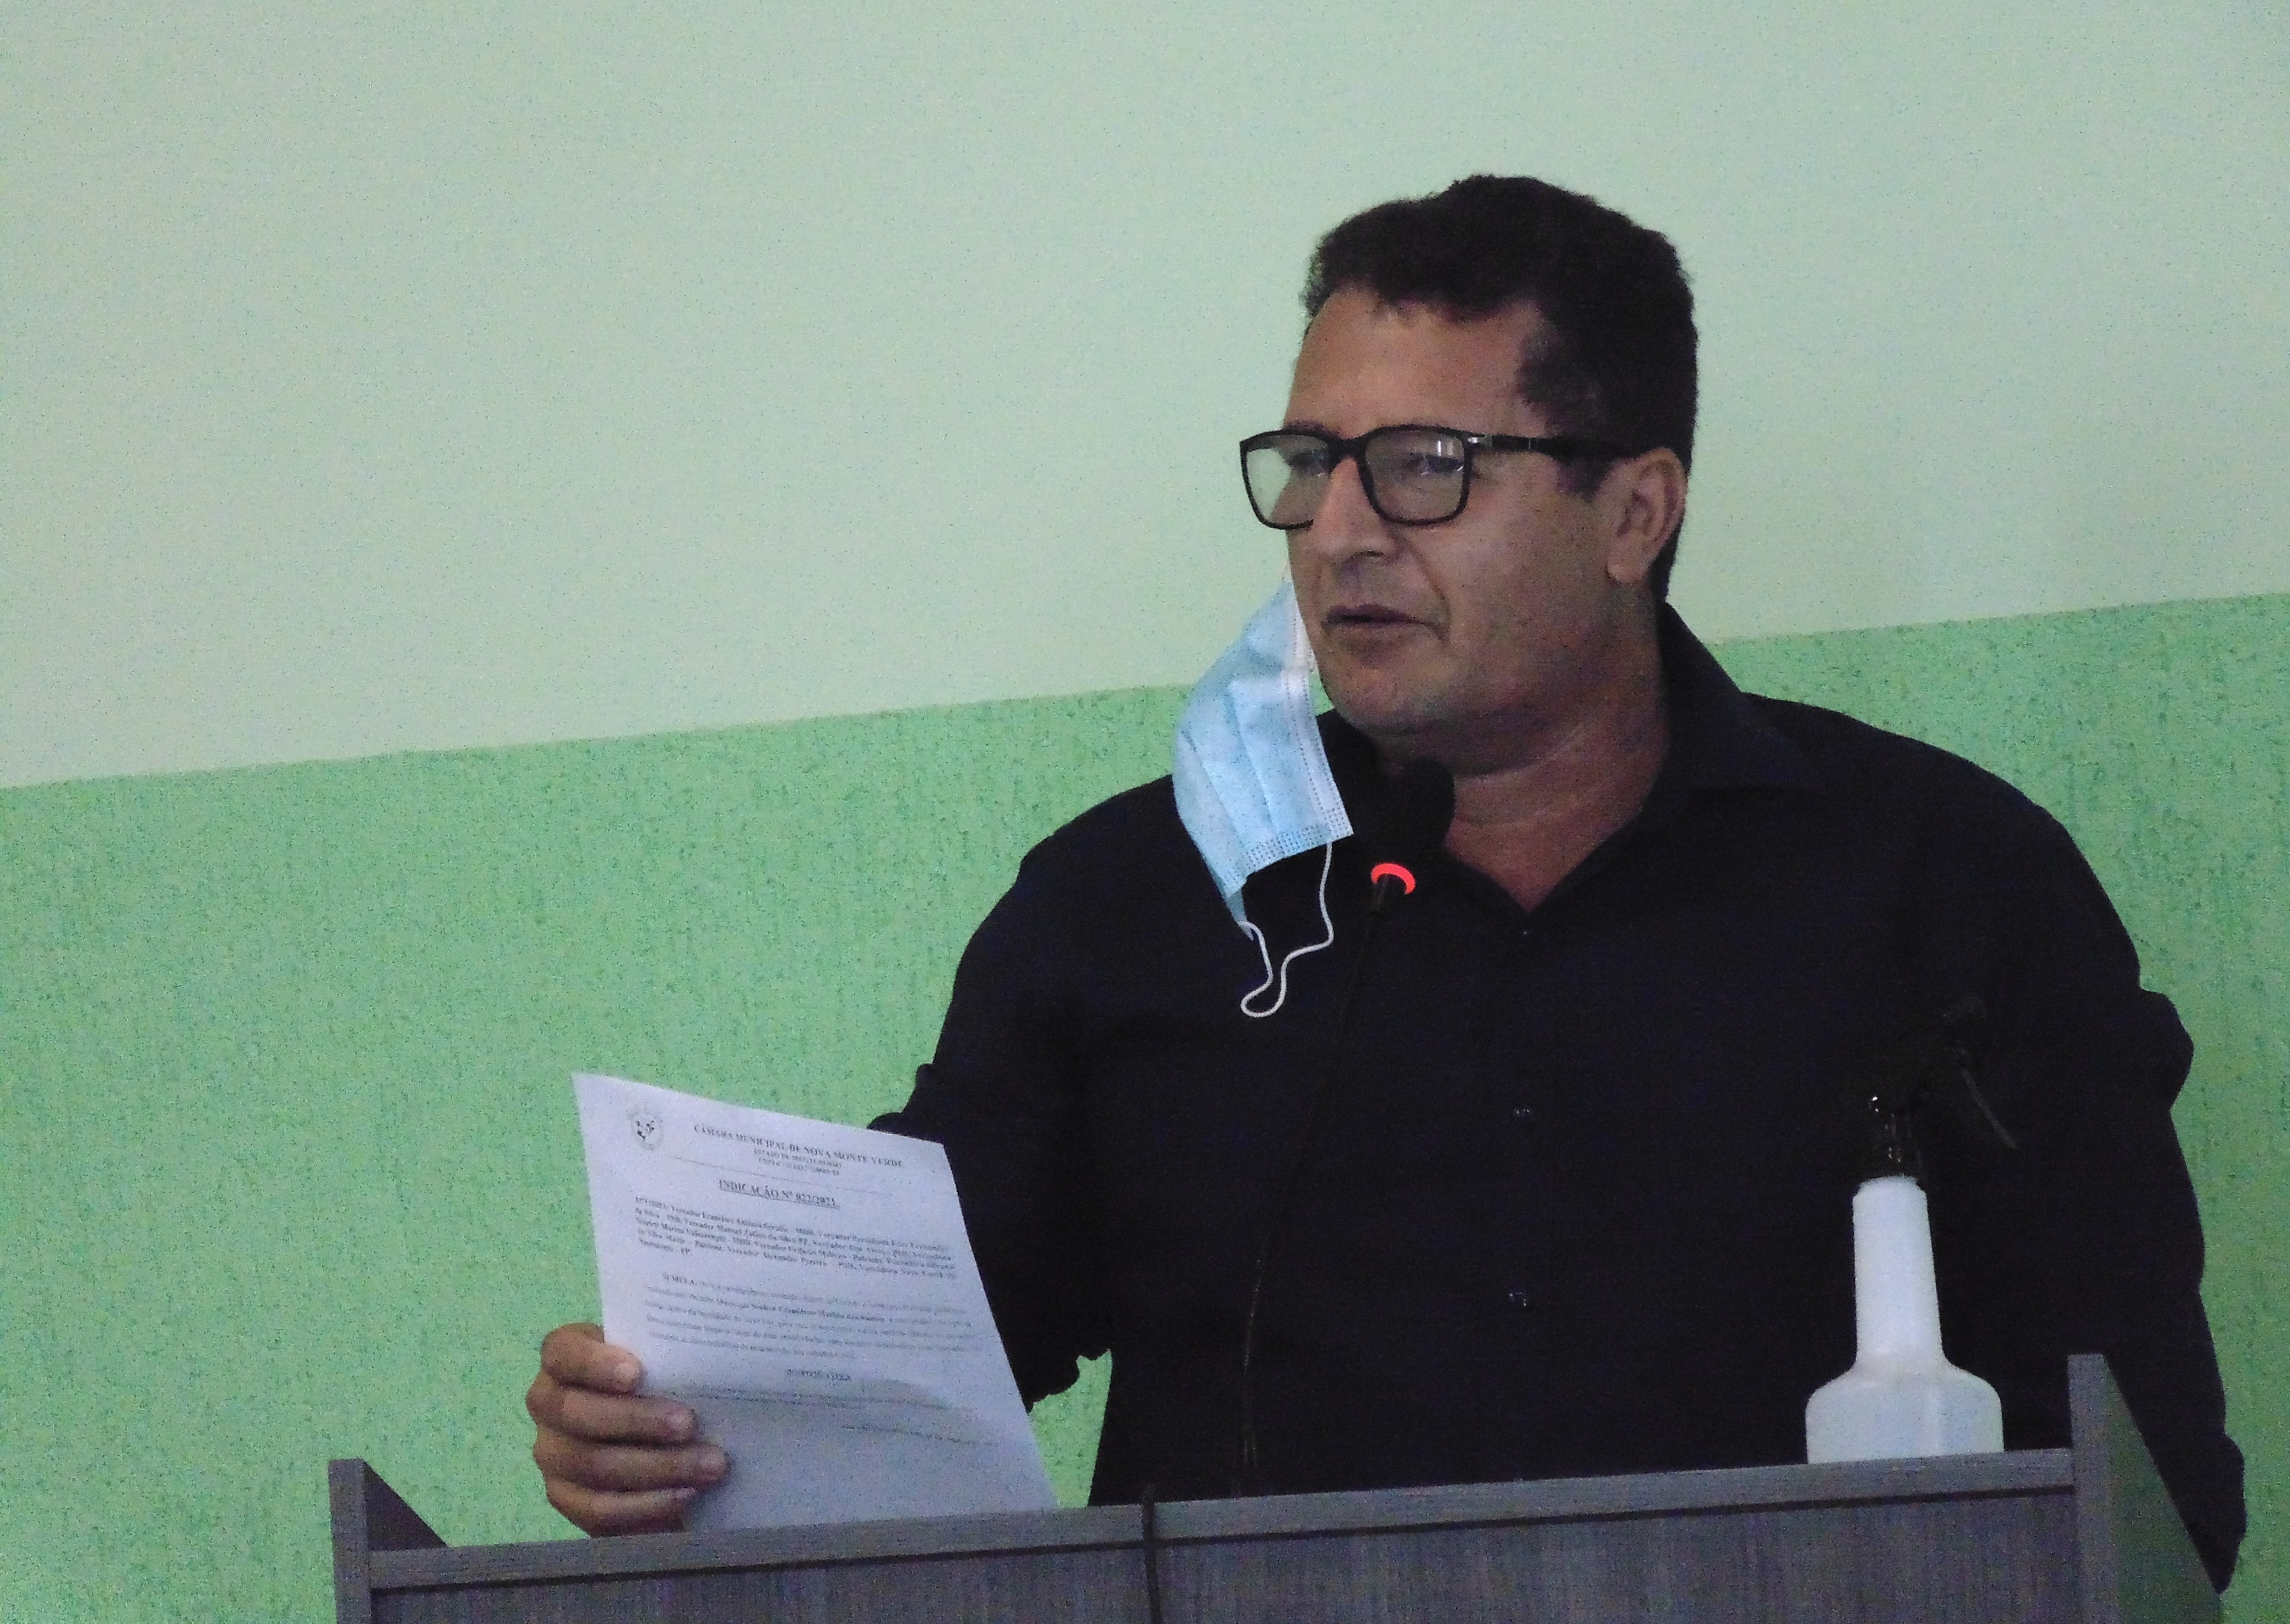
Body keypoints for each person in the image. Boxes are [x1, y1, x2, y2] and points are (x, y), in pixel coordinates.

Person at [526, 176, 2245, 1585]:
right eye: (1310, 465)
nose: (1340, 531)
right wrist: (677, 1420)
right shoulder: (1136, 903)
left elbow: (2153, 1491)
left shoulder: (1941, 883)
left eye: (1426, 467)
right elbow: (907, 1347)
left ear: (1634, 511)